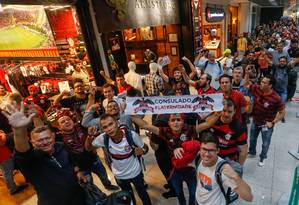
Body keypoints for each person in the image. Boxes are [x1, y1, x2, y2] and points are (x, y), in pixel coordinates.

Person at [2, 102, 87, 205]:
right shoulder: (32, 160)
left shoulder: (60, 146)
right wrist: (19, 130)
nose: (45, 142)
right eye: (40, 141)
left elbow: (71, 162)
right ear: (33, 143)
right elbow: (22, 152)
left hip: (79, 198)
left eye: (47, 138)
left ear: (53, 137)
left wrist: (78, 172)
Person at [131, 113, 220, 205]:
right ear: (169, 123)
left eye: (178, 120)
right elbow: (145, 125)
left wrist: (218, 111)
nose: (176, 123)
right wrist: (130, 114)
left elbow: (208, 124)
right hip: (174, 170)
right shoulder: (165, 131)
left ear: (183, 122)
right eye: (173, 120)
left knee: (193, 193)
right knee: (179, 193)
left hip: (190, 169)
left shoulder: (189, 129)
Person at [86, 114, 151, 205]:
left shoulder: (131, 135)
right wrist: (89, 136)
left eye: (111, 124)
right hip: (120, 176)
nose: (109, 129)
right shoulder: (103, 138)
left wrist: (142, 151)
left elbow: (146, 148)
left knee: (143, 194)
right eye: (105, 127)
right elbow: (89, 148)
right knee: (128, 198)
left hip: (136, 173)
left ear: (117, 123)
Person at [56, 111, 119, 191]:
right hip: (81, 167)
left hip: (94, 160)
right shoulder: (59, 138)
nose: (67, 122)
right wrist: (76, 170)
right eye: (63, 122)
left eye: (68, 119)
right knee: (89, 186)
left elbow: (91, 126)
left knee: (103, 176)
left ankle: (108, 186)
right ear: (59, 127)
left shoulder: (81, 126)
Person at [195, 132, 253, 205]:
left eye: (211, 150)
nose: (206, 154)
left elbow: (248, 196)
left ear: (217, 151)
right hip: (198, 200)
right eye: (204, 149)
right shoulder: (199, 158)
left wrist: (235, 177)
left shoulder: (222, 171)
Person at [244, 70, 285, 166]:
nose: (261, 83)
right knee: (252, 139)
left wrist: (273, 122)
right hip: (255, 121)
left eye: (264, 83)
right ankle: (252, 152)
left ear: (270, 85)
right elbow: (246, 85)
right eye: (261, 81)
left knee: (265, 143)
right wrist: (246, 74)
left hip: (266, 125)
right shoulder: (257, 89)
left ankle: (263, 157)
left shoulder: (276, 98)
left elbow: (282, 112)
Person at [207, 99, 248, 165]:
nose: (226, 114)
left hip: (228, 163)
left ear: (234, 111)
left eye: (229, 112)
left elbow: (243, 150)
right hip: (211, 159)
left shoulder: (239, 128)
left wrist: (238, 167)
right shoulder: (212, 121)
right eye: (224, 110)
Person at [0, 130, 28, 195]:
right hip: (4, 156)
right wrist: (2, 133)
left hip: (3, 156)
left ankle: (12, 187)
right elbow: (2, 142)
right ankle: (12, 189)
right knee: (7, 173)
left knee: (6, 172)